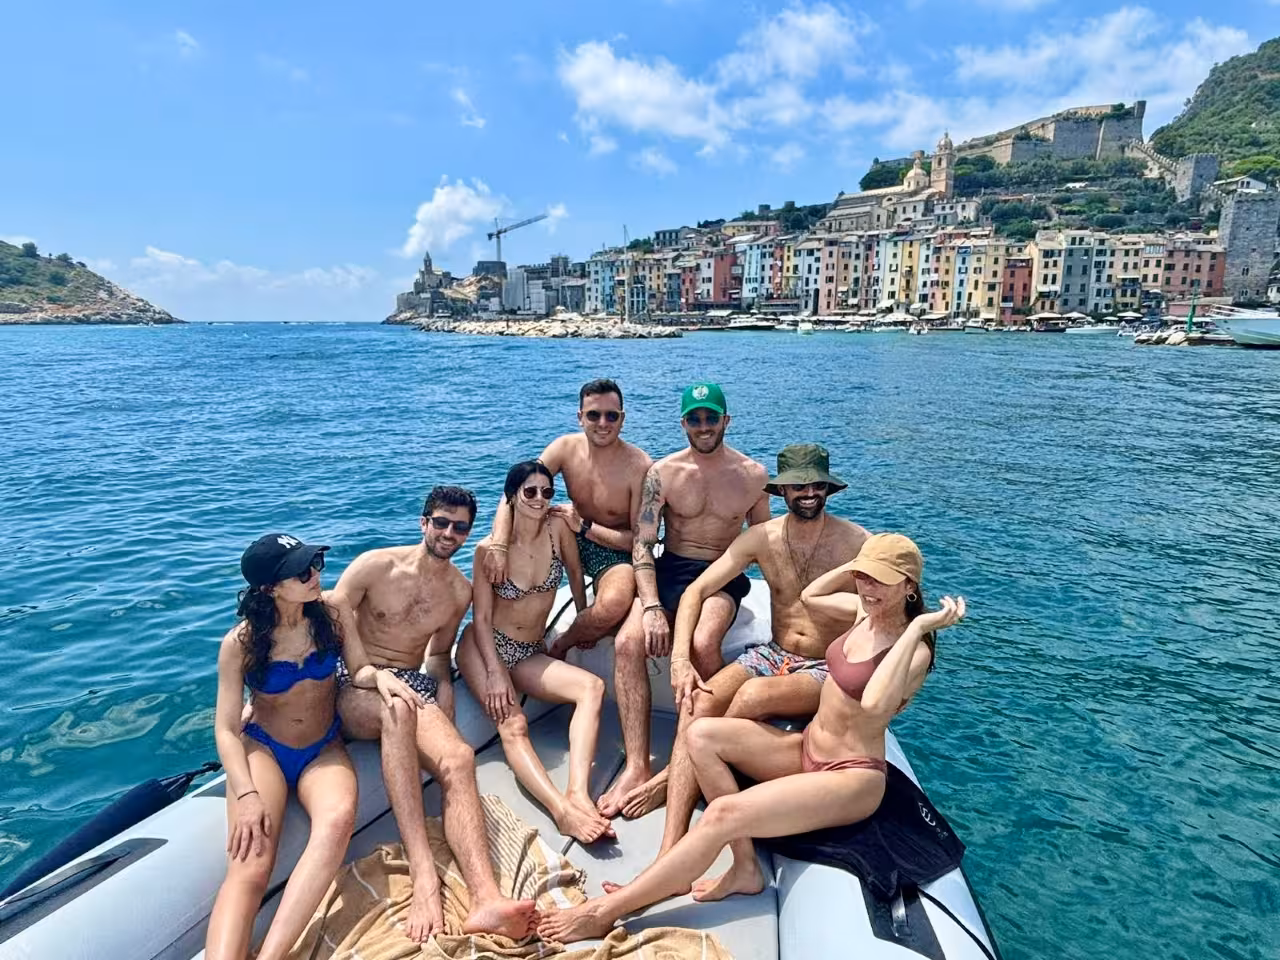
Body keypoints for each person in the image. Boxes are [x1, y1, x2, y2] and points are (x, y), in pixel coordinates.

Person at [538, 534, 965, 943]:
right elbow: (813, 596)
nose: (866, 587)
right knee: (702, 734)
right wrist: (855, 570)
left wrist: (916, 628)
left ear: (909, 586)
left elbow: (873, 705)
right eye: (863, 576)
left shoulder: (916, 650)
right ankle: (745, 866)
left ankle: (605, 913)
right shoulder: (862, 612)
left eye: (879, 580)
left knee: (723, 812)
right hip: (806, 750)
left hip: (851, 775)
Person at [631, 443, 870, 865]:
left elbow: (894, 604)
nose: (808, 493)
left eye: (816, 484)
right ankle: (670, 849)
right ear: (781, 492)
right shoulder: (763, 537)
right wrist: (682, 660)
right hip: (773, 653)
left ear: (829, 488)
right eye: (798, 486)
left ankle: (669, 779)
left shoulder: (857, 542)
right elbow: (697, 591)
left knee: (754, 697)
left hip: (822, 665)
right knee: (696, 701)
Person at [330, 488, 537, 942]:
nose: (449, 533)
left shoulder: (458, 592)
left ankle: (487, 900)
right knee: (399, 710)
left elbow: (438, 656)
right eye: (441, 522)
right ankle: (426, 877)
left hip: (408, 683)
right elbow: (329, 617)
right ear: (423, 522)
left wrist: (443, 689)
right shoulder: (374, 566)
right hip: (354, 682)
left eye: (460, 527)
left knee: (459, 758)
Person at [207, 533, 423, 960]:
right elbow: (227, 730)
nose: (316, 575)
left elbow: (359, 668)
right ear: (270, 587)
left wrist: (379, 677)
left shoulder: (329, 616)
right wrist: (246, 794)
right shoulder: (242, 643)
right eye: (302, 572)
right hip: (265, 748)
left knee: (338, 821)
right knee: (251, 862)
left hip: (323, 748)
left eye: (316, 565)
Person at [596, 382, 771, 820]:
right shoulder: (663, 474)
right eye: (695, 419)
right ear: (684, 424)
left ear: (726, 420)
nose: (704, 426)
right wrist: (652, 606)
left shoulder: (753, 476)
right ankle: (637, 765)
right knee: (627, 644)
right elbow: (642, 545)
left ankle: (706, 747)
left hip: (721, 575)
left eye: (711, 417)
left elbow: (767, 546)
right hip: (671, 568)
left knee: (703, 641)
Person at [459, 460, 614, 844]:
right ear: (512, 497)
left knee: (591, 688)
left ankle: (578, 792)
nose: (540, 499)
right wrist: (495, 673)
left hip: (528, 649)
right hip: (484, 647)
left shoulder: (557, 529)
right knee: (513, 725)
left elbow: (577, 576)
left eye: (547, 492)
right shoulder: (488, 551)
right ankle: (560, 811)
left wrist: (582, 624)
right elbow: (480, 621)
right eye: (530, 492)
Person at [483, 378, 651, 659]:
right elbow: (513, 493)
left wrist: (586, 527)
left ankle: (564, 642)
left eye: (611, 415)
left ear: (622, 419)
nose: (602, 423)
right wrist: (499, 546)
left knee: (614, 604)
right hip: (568, 538)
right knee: (501, 542)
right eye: (593, 415)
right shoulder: (564, 448)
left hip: (612, 550)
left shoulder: (639, 466)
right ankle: (500, 640)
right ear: (580, 418)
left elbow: (639, 541)